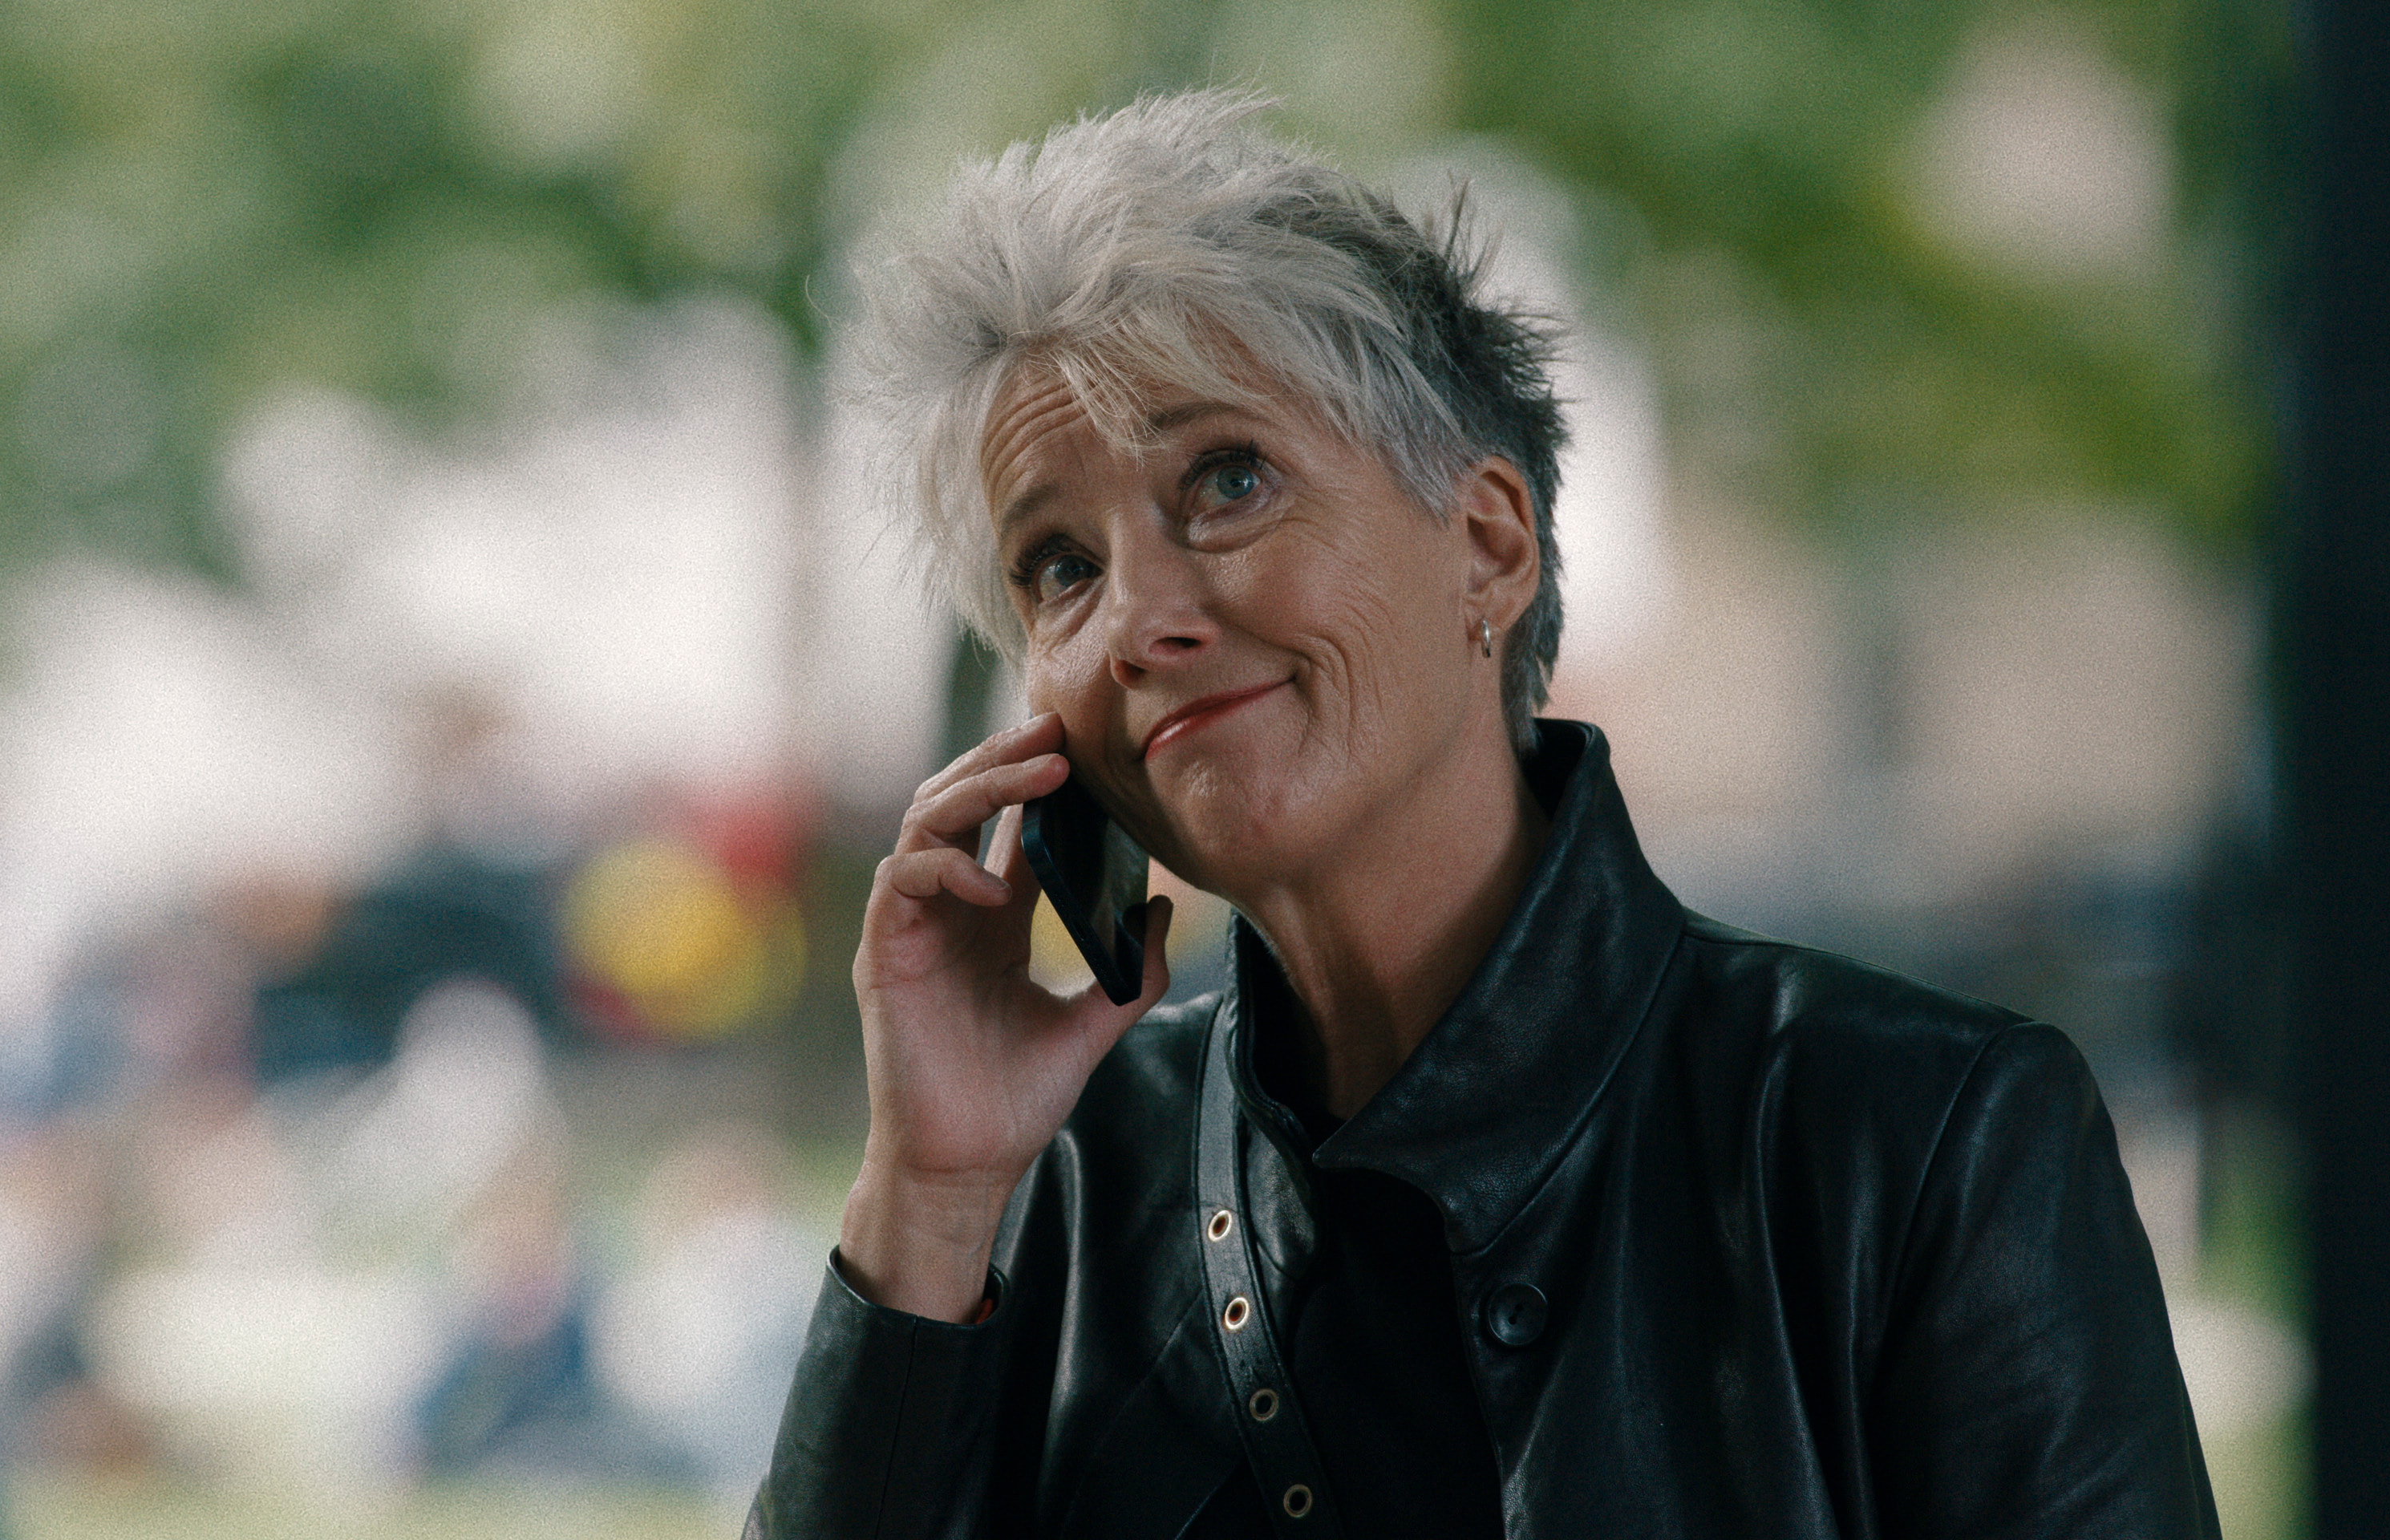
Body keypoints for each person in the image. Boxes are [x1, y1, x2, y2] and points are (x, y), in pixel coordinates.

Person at [755, 91, 2217, 1538]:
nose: (1137, 620)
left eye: (1228, 479)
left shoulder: (1918, 1145)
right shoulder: (1052, 1185)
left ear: (1490, 544)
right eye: (1060, 567)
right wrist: (929, 1196)